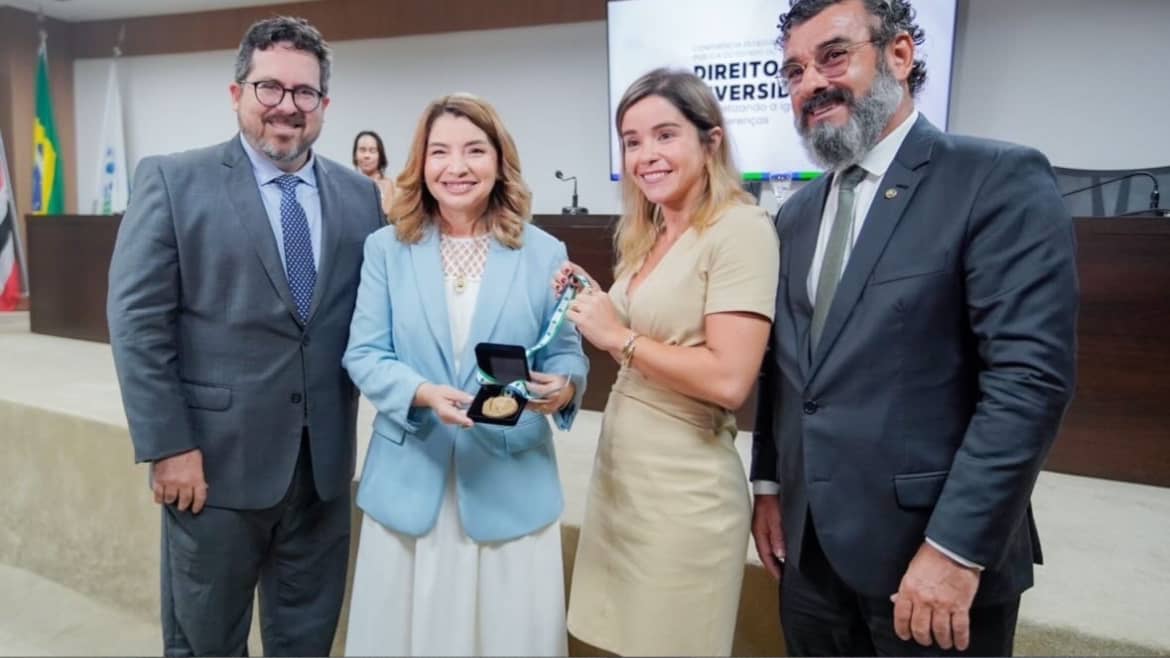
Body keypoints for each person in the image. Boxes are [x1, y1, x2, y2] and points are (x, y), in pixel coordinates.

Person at [749, 0, 1079, 655]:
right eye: (793, 71)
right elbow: (786, 373)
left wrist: (956, 549)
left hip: (928, 560)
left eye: (833, 56)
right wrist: (769, 486)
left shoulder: (993, 180)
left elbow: (1028, 382)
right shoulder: (796, 216)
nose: (810, 82)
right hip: (809, 556)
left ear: (899, 55)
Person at [106, 16, 384, 656]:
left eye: (304, 93)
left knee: (307, 639)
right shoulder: (175, 182)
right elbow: (137, 324)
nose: (287, 107)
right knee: (204, 642)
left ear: (324, 105)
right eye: (270, 88)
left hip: (323, 471)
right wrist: (168, 444)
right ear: (237, 94)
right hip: (211, 468)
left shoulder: (358, 197)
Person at [341, 92, 589, 657]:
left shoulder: (545, 252)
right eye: (440, 152)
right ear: (420, 163)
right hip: (412, 481)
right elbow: (365, 352)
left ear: (500, 160)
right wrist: (422, 392)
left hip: (510, 482)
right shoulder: (385, 249)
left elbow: (568, 353)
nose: (456, 167)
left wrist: (565, 386)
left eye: (475, 150)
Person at [555, 68, 780, 656]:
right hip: (623, 481)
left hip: (683, 496)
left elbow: (731, 379)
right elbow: (644, 325)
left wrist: (618, 338)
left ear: (711, 142)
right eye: (632, 141)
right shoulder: (652, 229)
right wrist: (595, 300)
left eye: (664, 135)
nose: (645, 155)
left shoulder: (740, 229)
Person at [352, 129, 395, 216]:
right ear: (355, 155)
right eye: (362, 150)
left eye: (372, 151)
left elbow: (389, 217)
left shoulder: (388, 185)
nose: (367, 155)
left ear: (380, 156)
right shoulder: (348, 185)